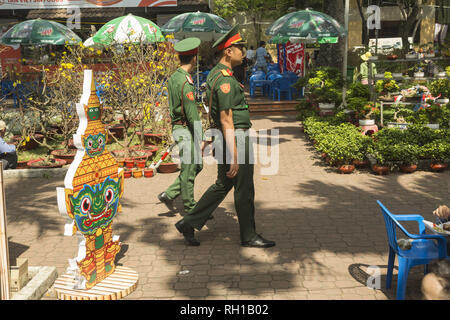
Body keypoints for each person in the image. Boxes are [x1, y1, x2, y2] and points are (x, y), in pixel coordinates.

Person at [174, 25, 276, 249]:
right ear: (228, 52)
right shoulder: (226, 81)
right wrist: (235, 155)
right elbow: (227, 119)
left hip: (222, 137)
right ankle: (248, 235)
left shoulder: (215, 75)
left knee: (223, 184)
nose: (242, 50)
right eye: (239, 47)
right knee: (244, 188)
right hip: (234, 138)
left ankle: (189, 223)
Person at [157, 37, 207, 215]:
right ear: (194, 58)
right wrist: (201, 139)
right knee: (191, 167)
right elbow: (192, 114)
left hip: (178, 127)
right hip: (185, 128)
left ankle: (169, 194)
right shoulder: (186, 82)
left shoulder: (174, 77)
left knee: (196, 165)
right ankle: (191, 209)